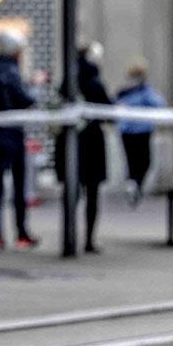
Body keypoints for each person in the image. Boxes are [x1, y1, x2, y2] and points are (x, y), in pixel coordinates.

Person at [0, 29, 39, 251]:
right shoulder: (12, 73)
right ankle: (21, 234)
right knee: (19, 186)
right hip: (13, 135)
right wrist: (35, 85)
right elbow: (25, 99)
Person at [76, 42, 111, 253]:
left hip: (74, 145)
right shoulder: (95, 82)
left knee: (73, 192)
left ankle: (72, 233)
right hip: (92, 143)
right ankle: (88, 239)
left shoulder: (71, 80)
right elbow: (108, 109)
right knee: (92, 194)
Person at [116, 57, 165, 206]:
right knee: (141, 161)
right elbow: (158, 103)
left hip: (133, 131)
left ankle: (134, 184)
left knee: (136, 161)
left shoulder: (132, 92)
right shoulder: (137, 92)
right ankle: (134, 183)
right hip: (137, 131)